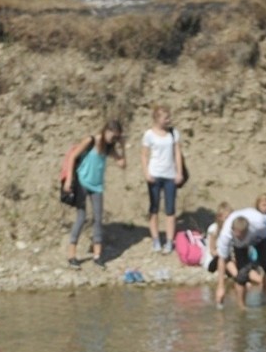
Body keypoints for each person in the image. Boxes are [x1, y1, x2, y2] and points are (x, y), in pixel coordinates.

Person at [64, 120, 126, 269]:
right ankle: (71, 254)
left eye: (116, 137)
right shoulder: (90, 140)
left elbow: (122, 164)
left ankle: (98, 256)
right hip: (82, 181)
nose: (113, 139)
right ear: (106, 130)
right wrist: (68, 179)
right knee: (81, 217)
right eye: (113, 136)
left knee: (98, 219)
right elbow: (73, 157)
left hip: (97, 186)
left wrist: (122, 147)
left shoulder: (109, 147)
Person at [141, 105, 184, 255]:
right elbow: (144, 155)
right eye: (165, 117)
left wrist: (179, 172)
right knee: (154, 208)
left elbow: (177, 153)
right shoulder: (149, 135)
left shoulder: (173, 133)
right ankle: (155, 239)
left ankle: (169, 241)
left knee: (170, 209)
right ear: (157, 118)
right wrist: (146, 173)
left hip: (170, 175)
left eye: (169, 117)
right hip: (154, 174)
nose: (168, 120)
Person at [215, 207, 266, 307]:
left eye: (242, 235)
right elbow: (222, 259)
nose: (240, 237)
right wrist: (220, 287)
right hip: (240, 246)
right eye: (237, 235)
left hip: (259, 238)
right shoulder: (226, 235)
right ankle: (241, 306)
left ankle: (264, 294)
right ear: (232, 230)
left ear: (248, 229)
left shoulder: (259, 223)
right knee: (242, 274)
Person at [201, 200, 232, 275]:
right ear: (220, 217)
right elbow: (212, 251)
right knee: (225, 259)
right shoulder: (214, 229)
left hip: (224, 257)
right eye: (226, 218)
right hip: (213, 260)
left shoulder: (230, 229)